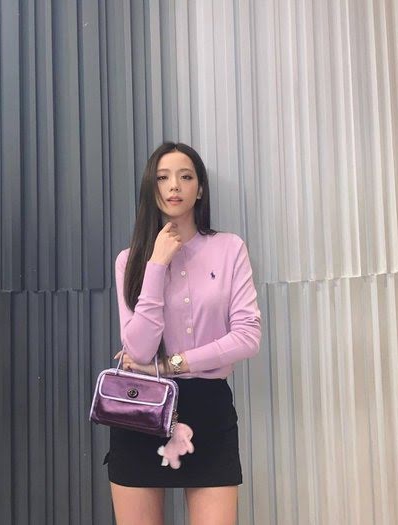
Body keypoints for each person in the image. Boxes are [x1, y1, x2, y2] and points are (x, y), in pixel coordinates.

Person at [106, 142, 261, 525]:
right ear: (151, 188)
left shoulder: (229, 248)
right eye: (163, 177)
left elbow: (247, 336)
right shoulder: (130, 260)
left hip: (208, 408)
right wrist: (156, 264)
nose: (174, 185)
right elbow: (139, 349)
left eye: (185, 176)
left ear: (200, 188)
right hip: (141, 411)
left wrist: (171, 364)